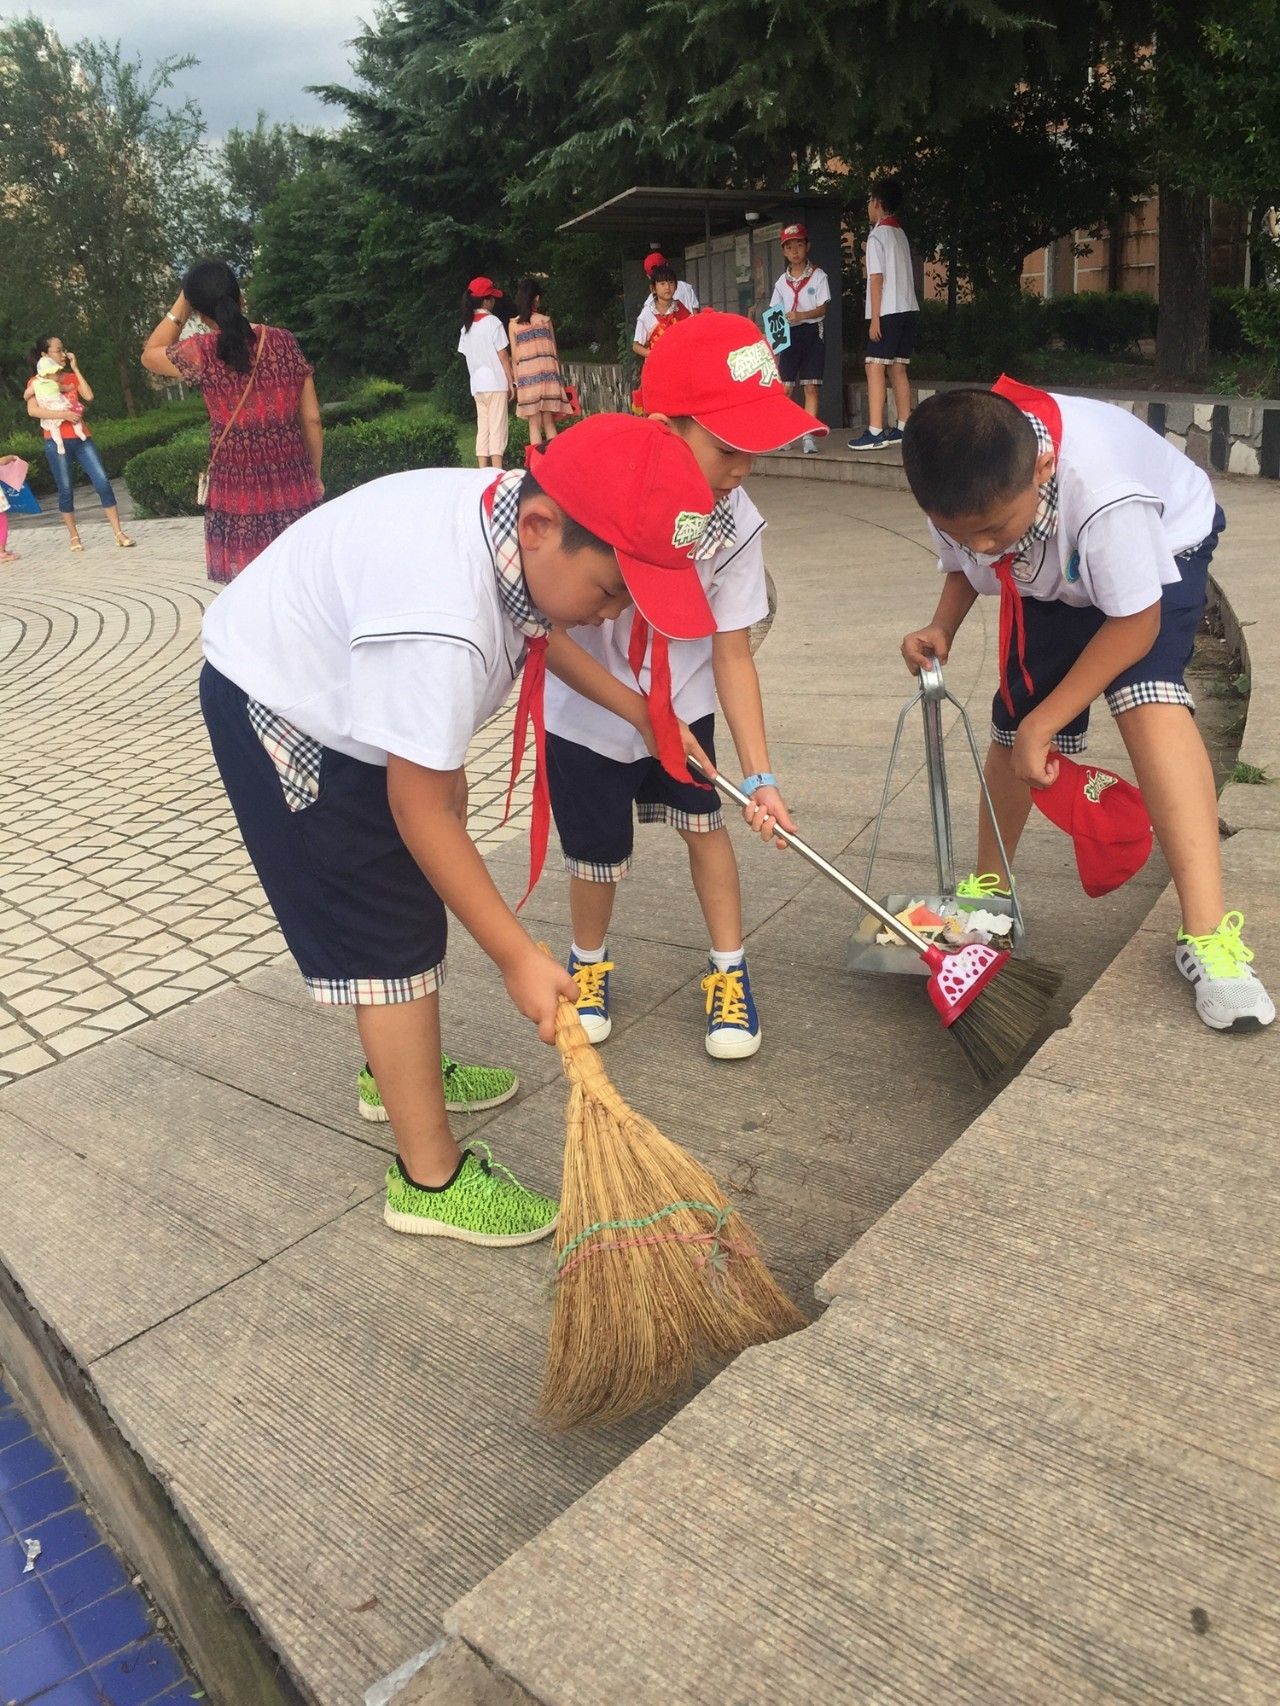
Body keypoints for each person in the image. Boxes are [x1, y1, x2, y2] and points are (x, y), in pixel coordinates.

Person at [199, 414, 720, 1245]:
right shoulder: (443, 614)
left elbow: (544, 623)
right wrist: (518, 955)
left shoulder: (519, 523)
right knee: (388, 932)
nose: (609, 616)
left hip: (342, 676)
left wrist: (640, 713)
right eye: (613, 591)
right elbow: (421, 809)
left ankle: (396, 1074)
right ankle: (428, 1179)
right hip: (289, 708)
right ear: (545, 527)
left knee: (412, 893)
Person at [899, 378, 1274, 1034]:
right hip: (1050, 566)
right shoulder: (965, 483)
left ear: (1041, 468)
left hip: (1162, 546)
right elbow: (969, 559)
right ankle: (991, 894)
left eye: (993, 529)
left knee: (1147, 698)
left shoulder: (1102, 493)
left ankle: (1207, 938)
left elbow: (1135, 625)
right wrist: (943, 627)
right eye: (966, 533)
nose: (983, 546)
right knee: (1016, 716)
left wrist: (1050, 720)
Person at [545, 312, 825, 1059]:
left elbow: (732, 652)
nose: (741, 470)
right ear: (666, 426)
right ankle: (588, 962)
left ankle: (729, 969)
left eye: (754, 451)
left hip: (685, 702)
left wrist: (760, 773)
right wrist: (634, 712)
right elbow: (548, 635)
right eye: (728, 448)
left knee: (707, 827)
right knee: (595, 854)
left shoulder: (735, 520)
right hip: (587, 712)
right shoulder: (588, 489)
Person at [142, 261, 323, 586]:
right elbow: (311, 418)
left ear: (198, 313)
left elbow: (151, 353)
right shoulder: (284, 342)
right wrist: (315, 477)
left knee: (248, 589)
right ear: (240, 299)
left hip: (235, 493)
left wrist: (184, 300)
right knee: (300, 582)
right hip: (293, 486)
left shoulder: (201, 352)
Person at [23, 337, 135, 551]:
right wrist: (63, 414)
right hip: (56, 441)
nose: (63, 353)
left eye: (63, 349)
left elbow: (89, 396)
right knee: (65, 488)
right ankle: (74, 536)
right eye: (58, 350)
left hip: (82, 438)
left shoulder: (70, 378)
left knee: (102, 481)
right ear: (45, 355)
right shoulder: (37, 381)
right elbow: (33, 410)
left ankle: (118, 532)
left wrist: (75, 367)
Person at [848, 176, 920, 452]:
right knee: (898, 367)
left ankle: (875, 430)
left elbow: (876, 279)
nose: (868, 206)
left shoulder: (877, 235)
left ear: (877, 203)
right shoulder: (900, 233)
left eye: (869, 201)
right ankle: (904, 425)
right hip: (908, 308)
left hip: (888, 311)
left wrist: (874, 318)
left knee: (873, 365)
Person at [768, 223, 830, 457]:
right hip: (789, 335)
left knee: (811, 386)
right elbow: (774, 311)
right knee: (785, 388)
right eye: (789, 247)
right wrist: (774, 338)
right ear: (784, 251)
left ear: (808, 247)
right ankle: (787, 432)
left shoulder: (818, 276)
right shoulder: (780, 283)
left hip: (812, 333)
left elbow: (822, 308)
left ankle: (808, 435)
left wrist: (801, 315)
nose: (795, 251)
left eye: (799, 245)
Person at [458, 276, 514, 468]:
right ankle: (497, 470)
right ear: (486, 300)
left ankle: (482, 469)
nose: (494, 301)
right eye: (492, 297)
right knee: (498, 426)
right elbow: (503, 356)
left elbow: (467, 356)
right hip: (496, 382)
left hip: (477, 384)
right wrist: (510, 381)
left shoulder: (466, 327)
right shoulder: (493, 323)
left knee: (483, 427)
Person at [508, 278, 569, 448]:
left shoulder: (513, 325)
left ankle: (536, 465)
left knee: (534, 424)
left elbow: (515, 358)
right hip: (548, 377)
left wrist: (516, 384)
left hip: (527, 380)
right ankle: (554, 462)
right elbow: (554, 352)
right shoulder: (546, 321)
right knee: (549, 422)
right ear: (536, 298)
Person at [632, 265, 693, 363]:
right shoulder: (647, 313)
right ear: (653, 288)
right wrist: (656, 355)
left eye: (671, 283)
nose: (667, 287)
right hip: (657, 365)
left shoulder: (681, 310)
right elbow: (636, 346)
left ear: (676, 286)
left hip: (680, 363)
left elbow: (691, 333)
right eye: (662, 283)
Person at [33, 355, 86, 448]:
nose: (58, 374)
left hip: (52, 407)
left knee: (55, 427)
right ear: (48, 374)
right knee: (72, 415)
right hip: (58, 406)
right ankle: (72, 435)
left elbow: (27, 393)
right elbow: (32, 410)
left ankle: (60, 442)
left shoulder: (36, 384)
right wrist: (71, 387)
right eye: (55, 373)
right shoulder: (48, 383)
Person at [641, 251, 699, 315]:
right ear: (667, 265)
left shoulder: (649, 302)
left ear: (648, 276)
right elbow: (696, 314)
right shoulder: (685, 287)